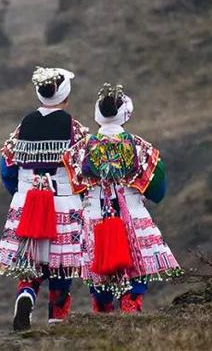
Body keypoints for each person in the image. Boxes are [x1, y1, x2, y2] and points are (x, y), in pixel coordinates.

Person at [62, 83, 182, 314]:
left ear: (98, 114)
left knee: (100, 264)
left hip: (96, 214)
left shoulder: (79, 149)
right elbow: (157, 186)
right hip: (132, 212)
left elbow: (73, 186)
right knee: (136, 264)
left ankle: (102, 308)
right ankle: (131, 306)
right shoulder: (140, 147)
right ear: (125, 114)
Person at [0, 66, 89, 331]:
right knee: (61, 266)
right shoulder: (75, 129)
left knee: (30, 261)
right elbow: (86, 167)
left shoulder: (23, 126)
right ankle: (57, 320)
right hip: (62, 201)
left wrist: (20, 192)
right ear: (65, 97)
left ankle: (26, 295)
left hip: (28, 200)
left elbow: (7, 165)